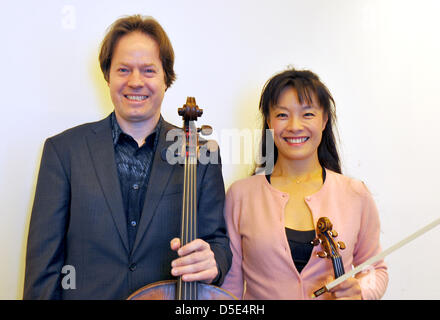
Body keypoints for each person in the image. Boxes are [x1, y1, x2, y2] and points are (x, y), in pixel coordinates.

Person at [23, 14, 231, 299]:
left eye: (148, 70)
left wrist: (213, 262)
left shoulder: (202, 153)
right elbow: (44, 270)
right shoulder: (63, 151)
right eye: (123, 70)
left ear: (166, 78)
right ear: (107, 75)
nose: (135, 82)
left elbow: (217, 242)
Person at [221, 68, 388, 299]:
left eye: (308, 114)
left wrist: (361, 290)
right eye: (282, 115)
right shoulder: (240, 195)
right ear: (268, 121)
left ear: (324, 120)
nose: (294, 126)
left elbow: (374, 269)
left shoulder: (355, 193)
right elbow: (230, 285)